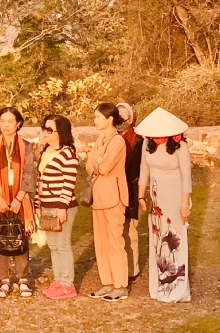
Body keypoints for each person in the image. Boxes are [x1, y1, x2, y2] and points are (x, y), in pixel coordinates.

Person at [136, 108, 192, 303]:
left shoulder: (180, 146)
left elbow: (186, 177)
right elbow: (144, 170)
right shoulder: (146, 144)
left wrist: (185, 205)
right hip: (156, 198)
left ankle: (176, 288)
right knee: (158, 240)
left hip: (176, 197)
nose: (157, 138)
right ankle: (160, 286)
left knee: (175, 239)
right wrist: (141, 196)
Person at [0, 107, 35, 298]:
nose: (6, 125)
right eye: (3, 121)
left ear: (18, 123)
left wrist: (19, 198)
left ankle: (23, 278)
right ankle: (4, 279)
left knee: (20, 234)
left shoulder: (26, 146)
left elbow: (29, 173)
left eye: (10, 121)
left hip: (20, 197)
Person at [86, 103, 130, 302]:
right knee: (101, 243)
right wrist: (96, 165)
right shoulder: (100, 139)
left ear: (110, 119)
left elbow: (105, 167)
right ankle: (107, 282)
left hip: (113, 198)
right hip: (98, 198)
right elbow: (89, 165)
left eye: (98, 117)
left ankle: (120, 285)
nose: (95, 120)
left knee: (114, 242)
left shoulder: (118, 141)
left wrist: (97, 165)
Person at [38, 115, 80, 300]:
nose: (45, 133)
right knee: (53, 245)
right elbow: (40, 180)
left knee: (62, 245)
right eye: (44, 128)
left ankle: (67, 284)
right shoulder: (46, 151)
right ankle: (58, 279)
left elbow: (68, 183)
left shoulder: (68, 154)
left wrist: (62, 207)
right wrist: (38, 203)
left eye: (49, 130)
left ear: (60, 132)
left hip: (62, 207)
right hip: (46, 206)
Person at [116, 103, 143, 282]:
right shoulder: (111, 138)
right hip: (115, 188)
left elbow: (136, 168)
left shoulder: (138, 140)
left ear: (131, 119)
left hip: (130, 188)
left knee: (130, 230)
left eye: (122, 119)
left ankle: (132, 269)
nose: (119, 122)